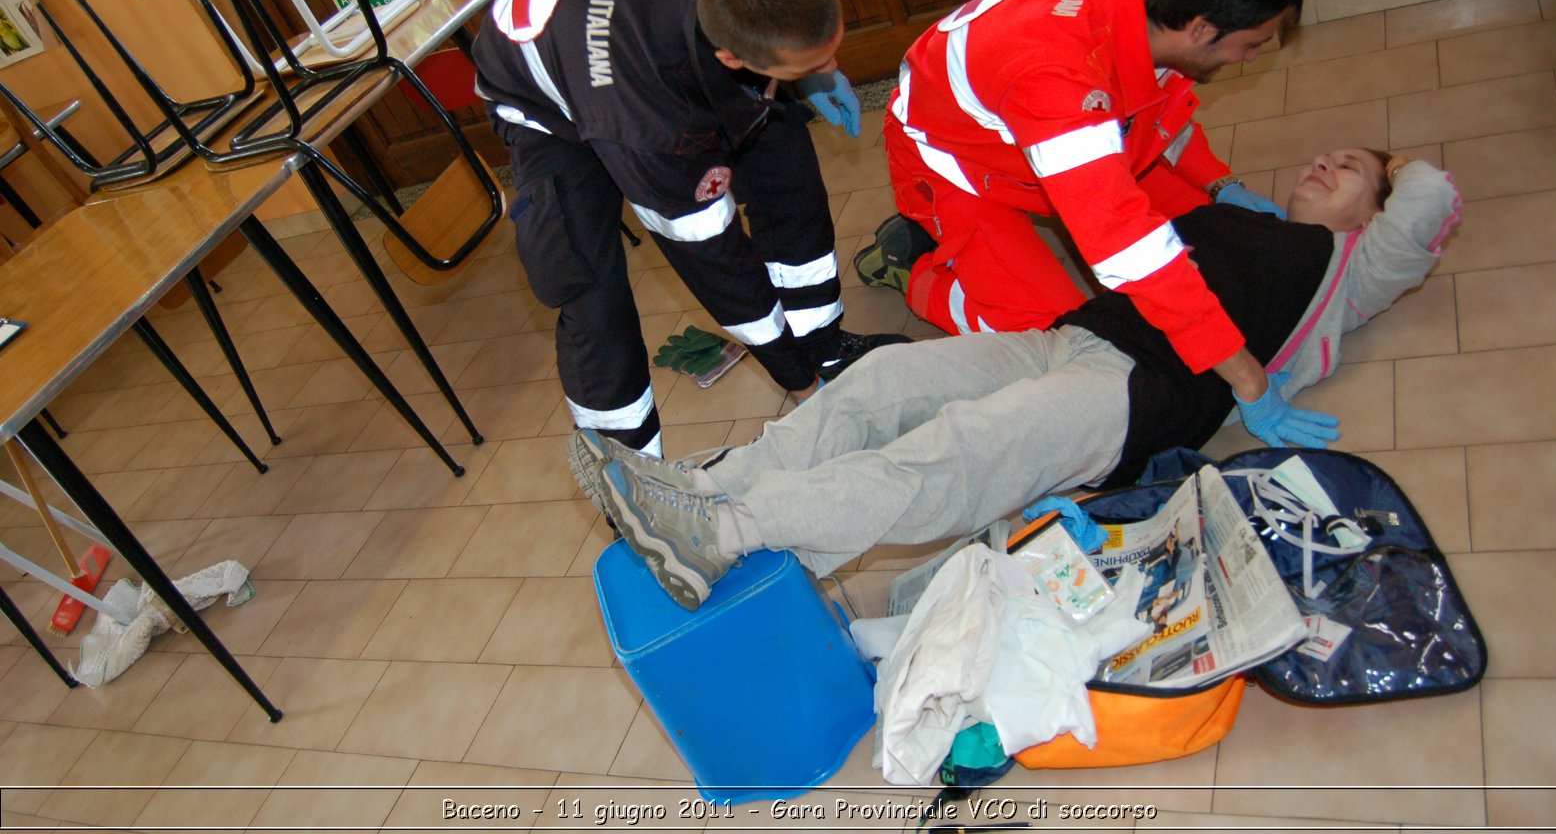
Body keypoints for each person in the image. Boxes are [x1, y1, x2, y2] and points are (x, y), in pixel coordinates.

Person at [576, 150, 1461, 609]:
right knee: (876, 385)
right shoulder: (1242, 216)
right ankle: (694, 487)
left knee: (953, 456)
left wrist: (1390, 176)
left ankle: (723, 535)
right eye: (1327, 156)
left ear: (1372, 214)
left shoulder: (1352, 271)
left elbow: (1431, 194)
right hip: (1062, 341)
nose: (1324, 165)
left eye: (1351, 169)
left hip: (1135, 394)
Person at [473, 0, 906, 456]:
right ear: (728, 57)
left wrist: (816, 70)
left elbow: (773, 14)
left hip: (621, 29)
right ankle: (629, 475)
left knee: (783, 159)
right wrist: (798, 386)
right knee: (587, 287)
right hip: (545, 103)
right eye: (817, 59)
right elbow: (714, 261)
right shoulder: (649, 119)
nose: (830, 63)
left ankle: (821, 342)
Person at [855, 0, 1310, 444]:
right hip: (952, 163)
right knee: (1057, 340)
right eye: (1252, 44)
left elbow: (1159, 114)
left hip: (1033, 134)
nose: (1253, 56)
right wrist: (1248, 380)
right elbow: (1126, 249)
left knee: (1212, 232)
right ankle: (911, 269)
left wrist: (1218, 186)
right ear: (1202, 30)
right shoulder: (1059, 80)